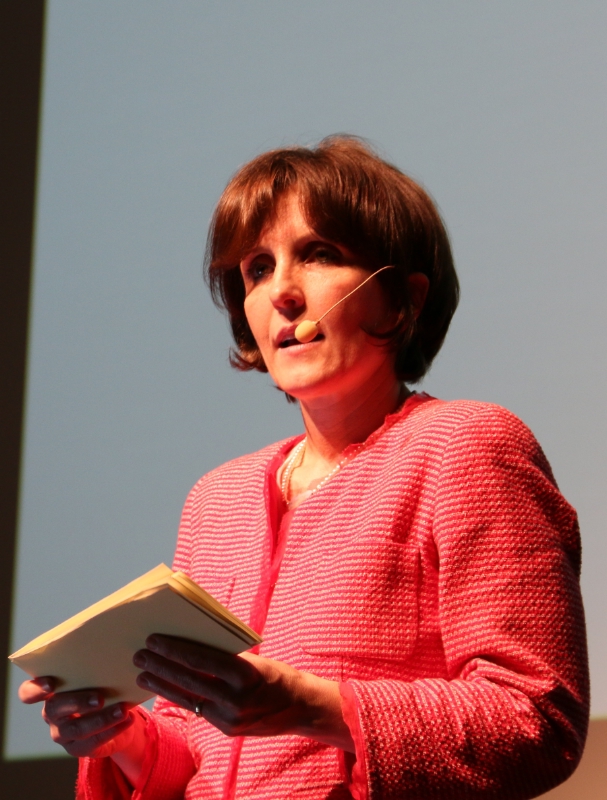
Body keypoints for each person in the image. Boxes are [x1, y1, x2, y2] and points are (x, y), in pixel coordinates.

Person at [20, 136, 589, 799]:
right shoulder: (217, 498)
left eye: (319, 255)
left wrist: (308, 707)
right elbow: (198, 755)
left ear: (402, 300)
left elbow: (534, 717)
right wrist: (120, 738)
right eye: (257, 269)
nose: (282, 293)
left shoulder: (466, 445)